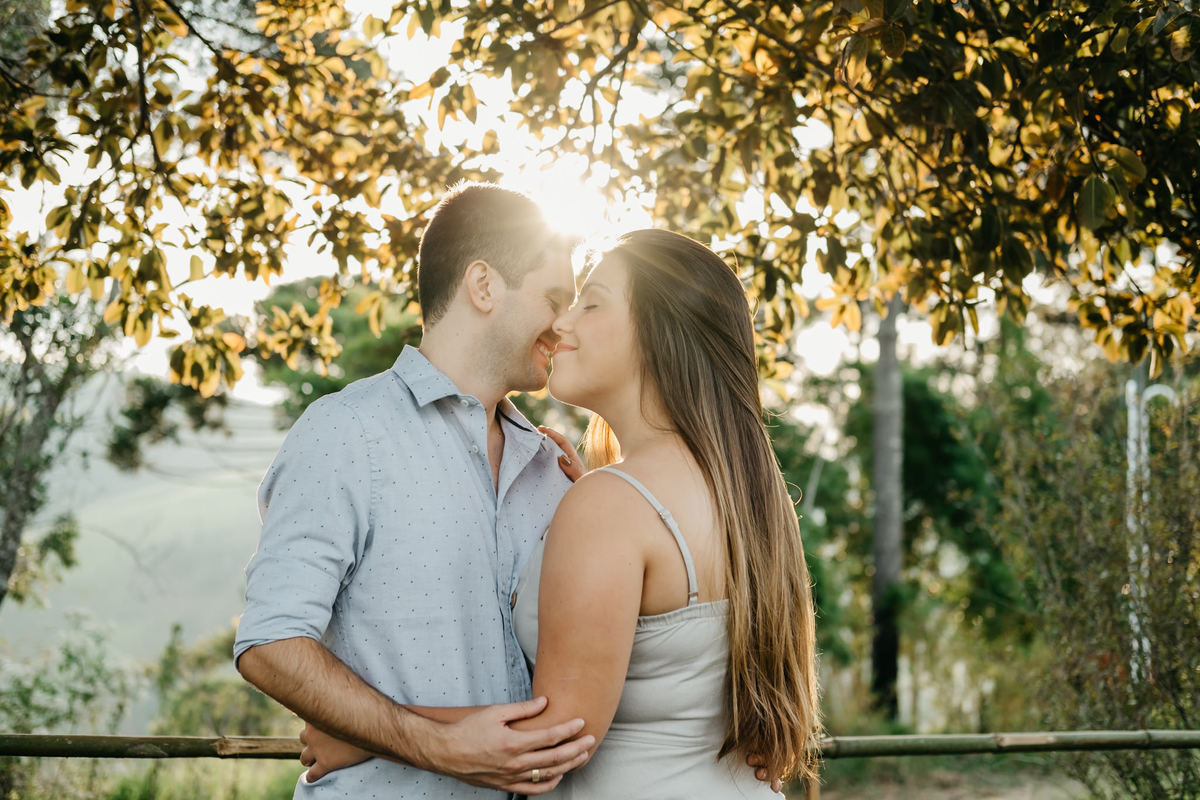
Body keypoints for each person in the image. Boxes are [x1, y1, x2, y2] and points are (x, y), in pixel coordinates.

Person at [302, 229, 822, 796]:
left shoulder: (612, 504)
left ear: (660, 336)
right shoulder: (747, 493)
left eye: (591, 304)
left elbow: (556, 738)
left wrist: (365, 734)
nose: (562, 324)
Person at [234, 181, 596, 798]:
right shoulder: (346, 431)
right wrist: (437, 747)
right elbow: (270, 643)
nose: (566, 326)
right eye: (554, 298)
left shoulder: (554, 468)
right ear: (483, 286)